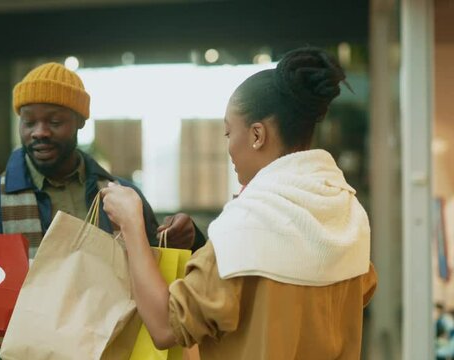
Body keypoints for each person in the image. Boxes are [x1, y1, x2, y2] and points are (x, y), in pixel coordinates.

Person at [102, 47, 378, 359]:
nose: (229, 148)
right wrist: (202, 246)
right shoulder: (346, 214)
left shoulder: (248, 225)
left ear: (257, 135)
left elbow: (165, 326)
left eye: (228, 133)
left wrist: (132, 224)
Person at [0, 62, 204, 257]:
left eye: (55, 121)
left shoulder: (122, 195)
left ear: (80, 121)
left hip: (109, 328)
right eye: (29, 122)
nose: (40, 132)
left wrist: (188, 239)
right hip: (19, 331)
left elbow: (156, 262)